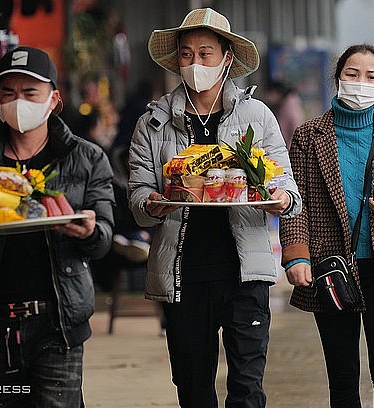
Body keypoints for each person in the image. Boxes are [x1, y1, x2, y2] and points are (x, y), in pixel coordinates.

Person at [128, 8, 301, 407]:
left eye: (206, 54)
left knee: (247, 387)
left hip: (246, 273)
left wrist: (283, 200)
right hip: (182, 275)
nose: (195, 63)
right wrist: (150, 204)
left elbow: (285, 186)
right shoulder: (153, 124)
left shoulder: (256, 116)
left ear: (226, 58)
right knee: (193, 388)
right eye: (186, 55)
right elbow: (138, 198)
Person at [0, 46, 115, 407]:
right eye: (8, 93)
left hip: (58, 327)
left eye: (30, 93)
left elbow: (102, 237)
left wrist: (88, 232)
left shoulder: (86, 158)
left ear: (53, 99)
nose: (18, 102)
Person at [279, 43, 374, 407]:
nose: (360, 82)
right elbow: (295, 203)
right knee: (342, 373)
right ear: (337, 79)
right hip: (331, 268)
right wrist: (296, 255)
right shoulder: (308, 135)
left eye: (370, 76)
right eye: (352, 74)